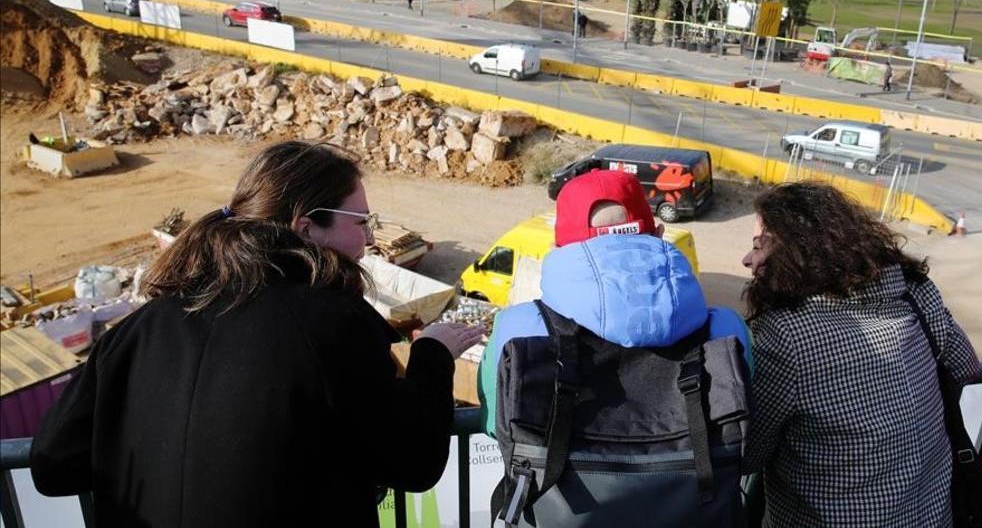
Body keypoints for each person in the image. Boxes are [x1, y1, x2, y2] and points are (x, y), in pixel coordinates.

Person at [31, 141, 485, 528]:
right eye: (360, 222)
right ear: (307, 227)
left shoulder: (139, 328)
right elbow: (412, 460)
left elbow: (53, 466)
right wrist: (432, 355)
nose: (367, 240)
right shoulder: (331, 324)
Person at [741, 181, 978, 527]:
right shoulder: (912, 292)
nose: (747, 259)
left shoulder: (787, 335)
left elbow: (748, 453)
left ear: (795, 254)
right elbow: (966, 365)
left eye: (759, 245)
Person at [478, 169, 752, 438]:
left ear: (557, 249)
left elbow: (495, 426)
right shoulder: (727, 330)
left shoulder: (517, 329)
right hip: (699, 483)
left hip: (558, 483)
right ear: (658, 234)